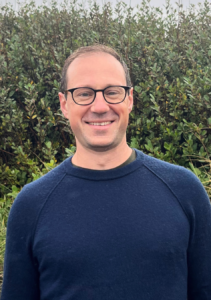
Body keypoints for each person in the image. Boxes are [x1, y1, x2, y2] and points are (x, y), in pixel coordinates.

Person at [1, 44, 211, 300]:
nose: (100, 106)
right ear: (64, 104)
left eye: (112, 92)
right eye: (84, 93)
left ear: (130, 99)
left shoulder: (184, 190)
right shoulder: (31, 205)